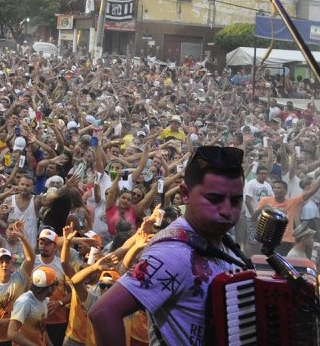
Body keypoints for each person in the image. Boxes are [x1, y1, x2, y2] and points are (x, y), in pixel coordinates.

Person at [89, 145, 246, 345]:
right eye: (214, 199)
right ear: (185, 194)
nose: (227, 210)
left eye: (235, 200)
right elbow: (104, 312)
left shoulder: (221, 239)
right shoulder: (172, 253)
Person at [8, 265, 58, 346]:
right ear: (49, 288)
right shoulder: (24, 303)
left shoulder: (44, 300)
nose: (56, 287)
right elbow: (12, 333)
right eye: (56, 283)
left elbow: (41, 328)